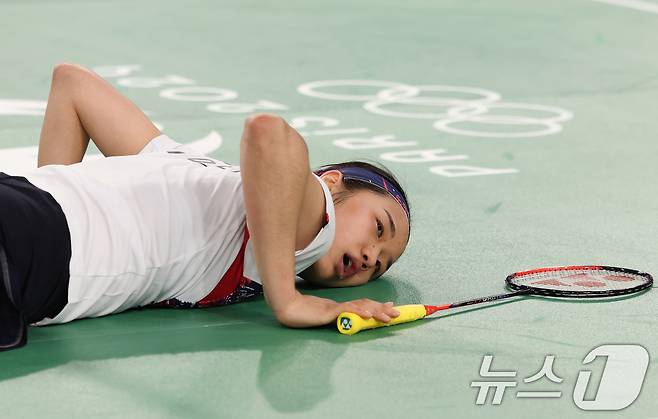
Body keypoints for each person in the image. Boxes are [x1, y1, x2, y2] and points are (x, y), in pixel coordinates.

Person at [0, 63, 411, 351]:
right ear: (332, 181)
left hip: (24, 214)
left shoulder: (189, 164)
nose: (371, 256)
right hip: (32, 247)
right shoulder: (315, 228)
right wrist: (288, 300)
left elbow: (72, 84)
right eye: (379, 228)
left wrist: (62, 195)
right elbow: (269, 133)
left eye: (382, 264)